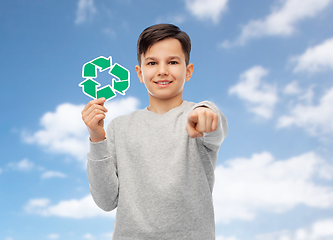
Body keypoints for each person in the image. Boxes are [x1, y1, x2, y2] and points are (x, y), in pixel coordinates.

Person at [81, 23, 228, 239]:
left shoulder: (197, 116)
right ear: (140, 73)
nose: (162, 70)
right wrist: (96, 138)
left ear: (188, 71)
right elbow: (106, 201)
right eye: (152, 62)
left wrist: (205, 113)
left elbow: (215, 125)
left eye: (172, 62)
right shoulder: (119, 128)